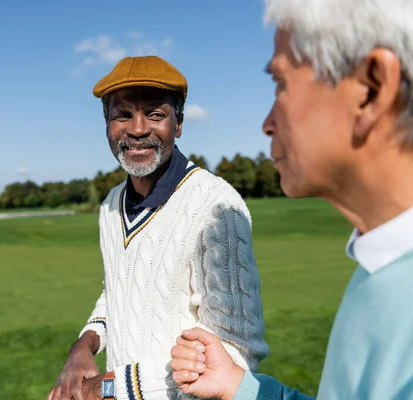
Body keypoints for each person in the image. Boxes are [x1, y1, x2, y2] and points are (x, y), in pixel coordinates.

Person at [170, 0, 413, 399]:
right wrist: (237, 385)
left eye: (281, 83)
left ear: (371, 89)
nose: (267, 123)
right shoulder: (378, 264)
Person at [48, 56, 269, 400]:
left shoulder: (216, 206)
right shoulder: (111, 203)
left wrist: (109, 389)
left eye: (155, 114)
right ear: (106, 123)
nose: (137, 129)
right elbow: (117, 293)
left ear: (178, 124)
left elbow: (238, 354)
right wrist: (85, 344)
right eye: (122, 114)